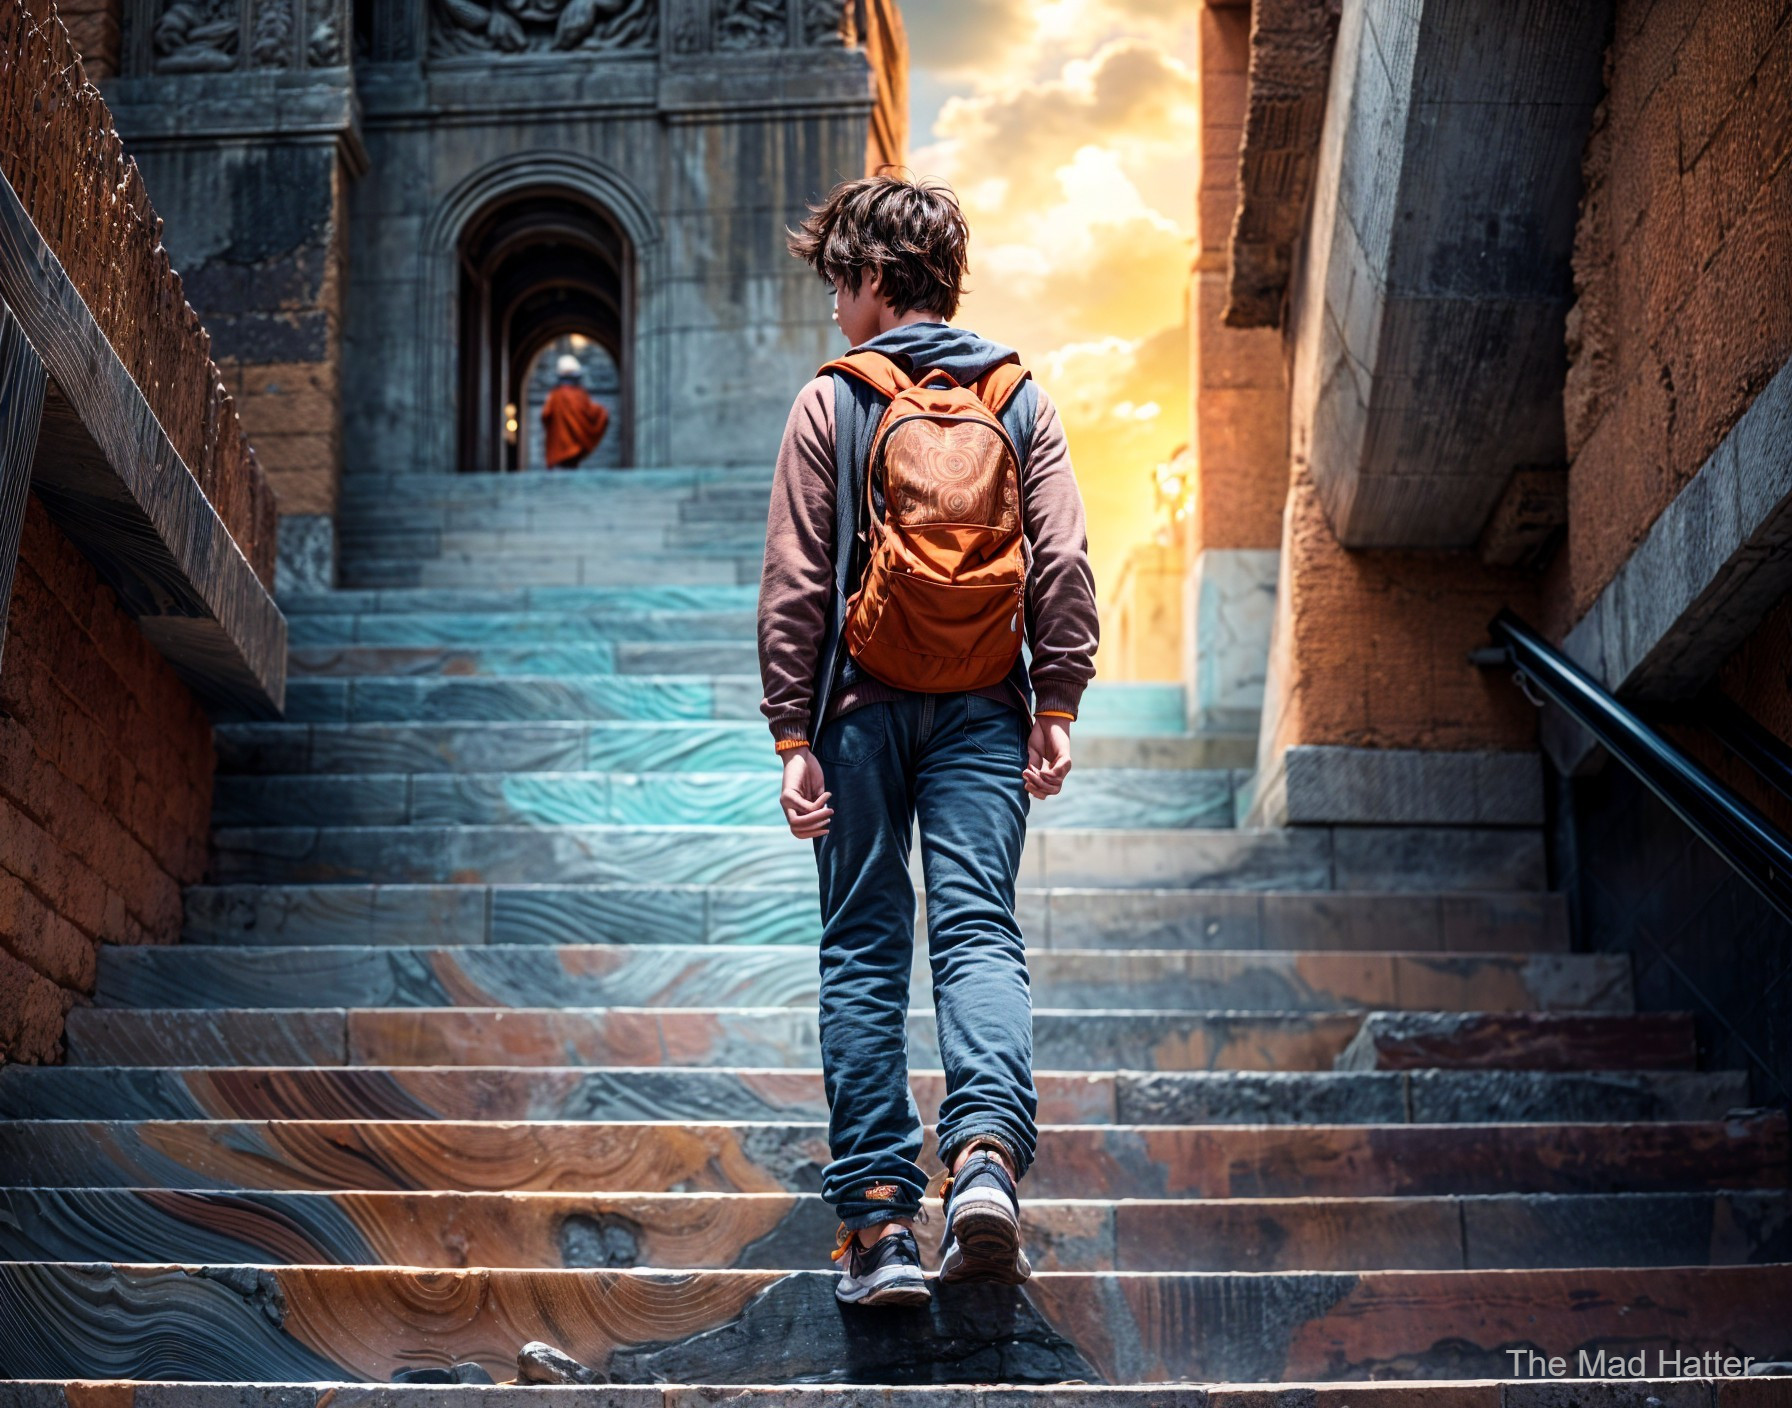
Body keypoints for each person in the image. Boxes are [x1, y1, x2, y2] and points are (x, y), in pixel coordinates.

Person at [757, 173, 1099, 1306]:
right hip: (986, 710)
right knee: (977, 934)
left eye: (837, 286)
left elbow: (799, 582)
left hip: (856, 708)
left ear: (868, 278)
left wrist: (788, 734)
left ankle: (879, 1230)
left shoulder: (833, 399)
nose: (834, 310)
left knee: (861, 945)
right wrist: (1055, 703)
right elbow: (1061, 562)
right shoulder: (1019, 400)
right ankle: (988, 1162)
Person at [540, 354, 609, 468]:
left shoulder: (555, 395)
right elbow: (591, 412)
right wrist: (603, 412)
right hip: (575, 448)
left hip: (559, 447)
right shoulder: (579, 394)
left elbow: (545, 415)